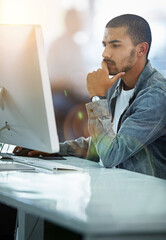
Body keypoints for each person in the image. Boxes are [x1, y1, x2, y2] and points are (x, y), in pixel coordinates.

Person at [14, 14, 166, 179]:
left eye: (115, 46)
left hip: (143, 196)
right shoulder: (116, 85)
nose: (105, 54)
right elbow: (100, 145)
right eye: (105, 45)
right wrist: (53, 149)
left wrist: (97, 97)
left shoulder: (155, 95)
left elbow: (110, 155)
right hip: (115, 186)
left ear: (141, 50)